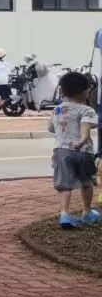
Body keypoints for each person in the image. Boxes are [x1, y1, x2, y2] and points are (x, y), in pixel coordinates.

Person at [48, 71, 99, 229]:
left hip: (61, 151)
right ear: (85, 91)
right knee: (86, 182)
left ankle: (64, 214)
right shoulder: (87, 110)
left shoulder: (57, 109)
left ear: (63, 91)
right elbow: (86, 127)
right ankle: (87, 212)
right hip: (83, 151)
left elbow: (51, 128)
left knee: (65, 184)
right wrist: (82, 139)